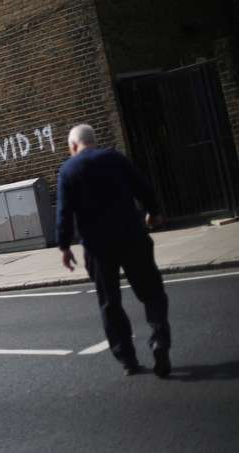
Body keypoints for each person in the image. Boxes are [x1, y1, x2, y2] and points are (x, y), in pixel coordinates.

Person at [56, 124, 171, 377]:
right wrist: (154, 211)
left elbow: (64, 213)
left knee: (110, 303)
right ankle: (160, 339)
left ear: (74, 146)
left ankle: (127, 359)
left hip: (98, 247)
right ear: (93, 141)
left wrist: (64, 246)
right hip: (132, 236)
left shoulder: (68, 170)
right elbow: (142, 186)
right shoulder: (115, 158)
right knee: (152, 292)